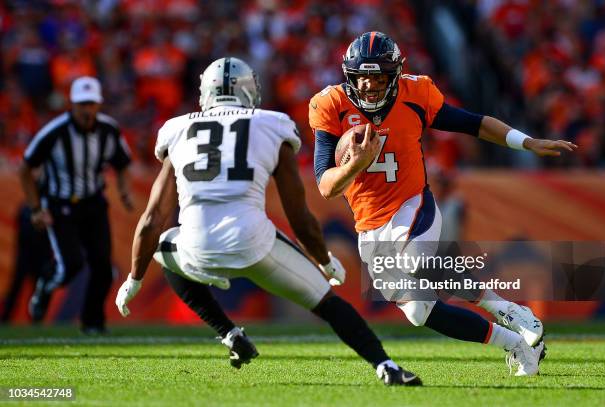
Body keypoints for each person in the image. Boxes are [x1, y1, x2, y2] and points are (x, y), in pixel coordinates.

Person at [115, 57, 422, 386]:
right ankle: (385, 366)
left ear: (205, 92)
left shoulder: (177, 129)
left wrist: (134, 278)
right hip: (254, 243)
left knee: (164, 247)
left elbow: (152, 220)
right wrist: (323, 260)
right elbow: (298, 213)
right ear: (250, 91)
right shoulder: (271, 124)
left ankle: (230, 334)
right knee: (327, 302)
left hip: (196, 247)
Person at [309, 32, 577, 376]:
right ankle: (515, 344)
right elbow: (325, 186)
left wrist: (526, 142)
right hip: (368, 224)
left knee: (416, 259)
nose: (370, 86)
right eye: (363, 77)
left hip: (411, 203)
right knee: (419, 313)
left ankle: (509, 309)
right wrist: (354, 165)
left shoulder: (415, 93)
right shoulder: (330, 104)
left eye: (378, 78)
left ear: (395, 75)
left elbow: (474, 124)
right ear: (349, 76)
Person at [19, 76, 133, 334]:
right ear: (72, 104)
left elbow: (123, 162)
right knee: (71, 266)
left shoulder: (108, 130)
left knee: (104, 267)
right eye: (82, 104)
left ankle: (92, 322)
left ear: (99, 104)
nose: (87, 109)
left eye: (91, 104)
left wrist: (125, 192)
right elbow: (25, 168)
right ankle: (46, 285)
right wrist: (36, 208)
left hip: (93, 203)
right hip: (61, 206)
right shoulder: (54, 132)